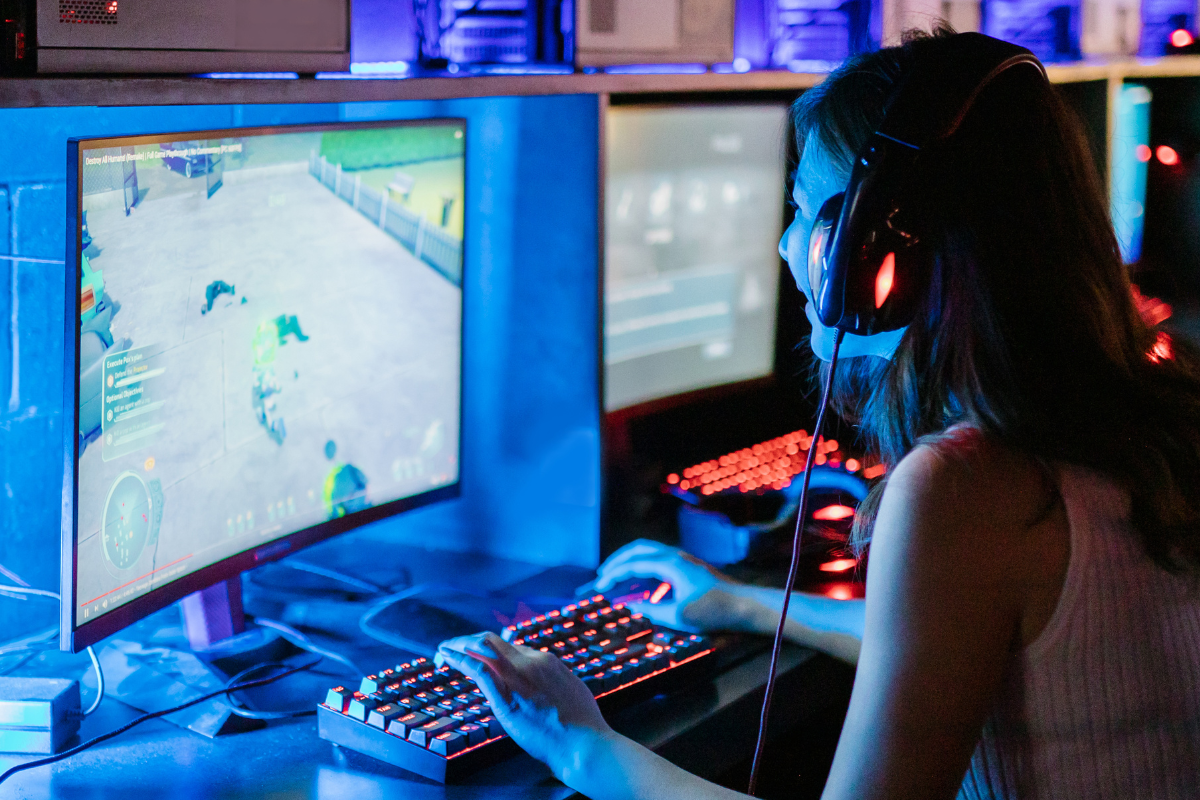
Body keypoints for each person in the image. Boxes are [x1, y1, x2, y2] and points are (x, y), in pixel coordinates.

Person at [438, 30, 1200, 799]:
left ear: (878, 252)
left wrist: (580, 747)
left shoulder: (967, 486)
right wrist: (743, 603)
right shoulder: (1142, 415)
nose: (785, 242)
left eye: (806, 212)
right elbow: (951, 644)